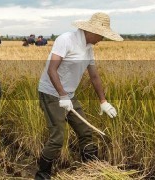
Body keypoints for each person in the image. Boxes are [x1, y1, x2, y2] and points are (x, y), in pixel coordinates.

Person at [36, 12, 123, 179]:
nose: (102, 39)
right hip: (51, 93)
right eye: (102, 35)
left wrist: (103, 101)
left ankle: (90, 170)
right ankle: (42, 174)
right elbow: (51, 69)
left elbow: (94, 76)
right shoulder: (66, 40)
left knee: (85, 132)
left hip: (69, 94)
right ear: (92, 32)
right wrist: (62, 95)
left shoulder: (88, 48)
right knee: (57, 138)